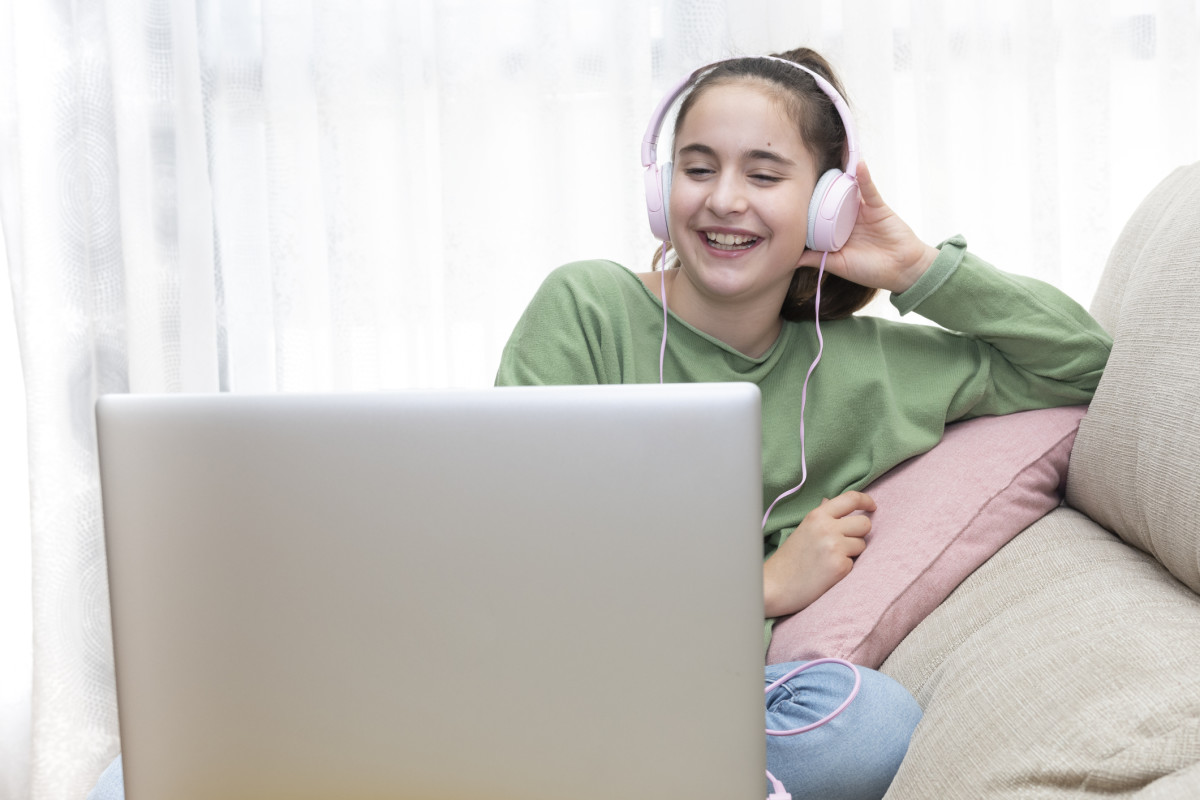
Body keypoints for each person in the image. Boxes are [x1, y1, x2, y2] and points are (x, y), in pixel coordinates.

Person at [493, 47, 1112, 800]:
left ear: (827, 205)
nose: (724, 199)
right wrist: (761, 586)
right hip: (562, 676)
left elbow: (1086, 366)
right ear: (661, 192)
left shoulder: (865, 366)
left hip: (708, 709)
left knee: (871, 723)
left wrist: (914, 267)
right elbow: (520, 560)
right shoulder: (587, 309)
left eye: (762, 174)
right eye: (696, 168)